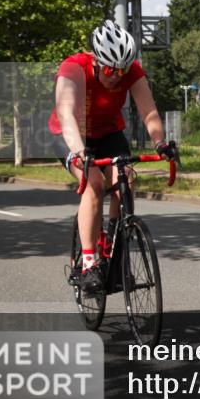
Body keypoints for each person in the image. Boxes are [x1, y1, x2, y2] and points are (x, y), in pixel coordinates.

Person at [49, 20, 176, 293]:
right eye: (110, 69)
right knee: (93, 184)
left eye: (123, 69)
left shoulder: (130, 72)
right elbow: (66, 114)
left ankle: (115, 246)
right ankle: (89, 263)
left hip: (107, 132)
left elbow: (149, 111)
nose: (117, 76)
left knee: (125, 180)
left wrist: (160, 143)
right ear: (96, 60)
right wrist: (79, 151)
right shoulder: (73, 68)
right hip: (71, 134)